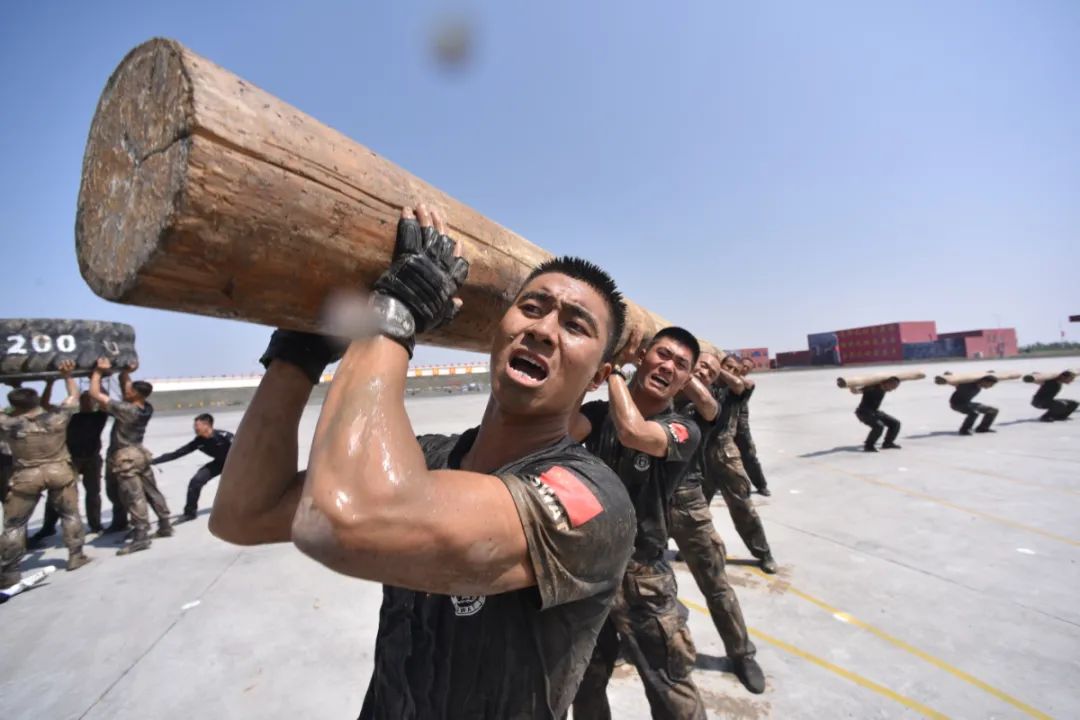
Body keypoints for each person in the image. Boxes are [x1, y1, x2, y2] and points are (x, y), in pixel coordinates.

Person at [210, 204, 636, 719]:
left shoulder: (590, 497)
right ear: (496, 332)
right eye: (532, 307)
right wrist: (299, 351)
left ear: (599, 376)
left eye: (574, 325)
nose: (544, 330)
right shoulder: (429, 458)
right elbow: (244, 514)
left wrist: (397, 310)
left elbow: (348, 514)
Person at [571, 326, 708, 720]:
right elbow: (561, 429)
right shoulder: (598, 416)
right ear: (644, 354)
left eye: (681, 365)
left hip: (643, 577)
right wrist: (591, 375)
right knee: (585, 684)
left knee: (672, 687)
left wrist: (615, 372)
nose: (668, 367)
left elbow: (634, 433)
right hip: (589, 572)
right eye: (662, 355)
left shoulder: (684, 429)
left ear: (686, 379)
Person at [669, 351, 766, 694]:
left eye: (708, 370)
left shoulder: (707, 408)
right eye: (698, 365)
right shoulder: (658, 394)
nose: (702, 371)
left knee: (716, 585)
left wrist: (691, 376)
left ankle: (741, 653)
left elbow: (712, 401)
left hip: (687, 506)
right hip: (645, 504)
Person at [0, 362, 92, 588]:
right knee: (70, 514)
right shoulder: (56, 418)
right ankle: (75, 555)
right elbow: (73, 396)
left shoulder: (7, 423)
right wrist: (67, 375)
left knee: (14, 525)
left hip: (26, 474)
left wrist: (14, 385)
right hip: (58, 469)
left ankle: (10, 572)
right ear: (36, 401)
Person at [703, 353, 779, 574]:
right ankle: (693, 547)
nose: (733, 373)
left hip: (726, 456)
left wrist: (719, 369)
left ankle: (764, 553)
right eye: (729, 367)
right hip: (701, 457)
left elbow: (739, 384)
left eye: (737, 370)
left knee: (743, 508)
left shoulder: (739, 390)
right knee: (694, 509)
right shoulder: (706, 386)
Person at [89, 359, 173, 554]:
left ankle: (141, 536)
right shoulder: (146, 407)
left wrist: (97, 372)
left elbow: (95, 395)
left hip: (126, 457)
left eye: (130, 390)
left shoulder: (127, 410)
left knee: (134, 496)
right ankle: (165, 524)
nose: (126, 391)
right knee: (152, 491)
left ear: (135, 394)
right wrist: (126, 372)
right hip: (140, 454)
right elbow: (127, 386)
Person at [29, 391, 110, 545]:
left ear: (94, 401)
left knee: (93, 493)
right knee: (58, 494)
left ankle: (95, 524)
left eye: (90, 399)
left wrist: (97, 384)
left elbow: (105, 401)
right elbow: (45, 405)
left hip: (92, 459)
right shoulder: (70, 417)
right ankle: (48, 526)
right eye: (84, 399)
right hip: (70, 459)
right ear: (79, 401)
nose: (87, 402)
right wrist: (50, 384)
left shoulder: (100, 415)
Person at [152, 413, 233, 521]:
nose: (195, 428)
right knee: (196, 481)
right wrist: (153, 461)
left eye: (197, 426)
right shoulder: (198, 441)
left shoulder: (224, 436)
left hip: (236, 463)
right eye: (194, 426)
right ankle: (190, 512)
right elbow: (177, 454)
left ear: (207, 425)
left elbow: (245, 448)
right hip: (219, 463)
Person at [735, 356, 770, 495]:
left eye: (748, 368)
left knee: (749, 457)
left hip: (740, 424)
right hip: (721, 423)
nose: (744, 369)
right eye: (743, 365)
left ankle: (761, 485)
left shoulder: (748, 383)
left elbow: (742, 383)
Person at [855, 377, 902, 452]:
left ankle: (888, 443)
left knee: (895, 423)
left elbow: (893, 379)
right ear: (887, 383)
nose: (893, 389)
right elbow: (856, 391)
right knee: (879, 426)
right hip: (863, 412)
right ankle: (868, 446)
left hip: (875, 412)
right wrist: (851, 386)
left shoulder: (884, 388)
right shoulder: (872, 388)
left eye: (895, 387)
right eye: (893, 386)